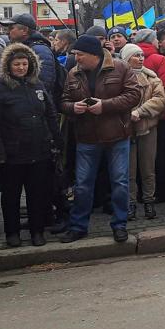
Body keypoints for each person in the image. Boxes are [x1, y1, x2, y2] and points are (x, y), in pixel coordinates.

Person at [58, 35, 142, 243]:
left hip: (117, 136)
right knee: (83, 184)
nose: (76, 58)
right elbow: (64, 101)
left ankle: (120, 225)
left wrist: (104, 105)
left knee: (119, 183)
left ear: (93, 55)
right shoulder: (74, 73)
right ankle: (78, 226)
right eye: (75, 54)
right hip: (86, 137)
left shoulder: (120, 67)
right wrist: (72, 108)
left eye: (79, 54)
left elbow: (133, 96)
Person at [0, 47, 63, 246]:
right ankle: (12, 233)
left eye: (24, 64)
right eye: (17, 64)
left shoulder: (37, 85)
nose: (21, 68)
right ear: (8, 66)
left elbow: (49, 114)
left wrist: (57, 140)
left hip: (39, 150)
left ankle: (37, 231)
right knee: (11, 196)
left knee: (37, 194)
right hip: (12, 152)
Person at [119, 44, 165, 221]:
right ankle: (130, 204)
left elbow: (160, 100)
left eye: (141, 55)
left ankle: (148, 202)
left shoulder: (151, 77)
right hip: (126, 129)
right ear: (126, 58)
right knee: (128, 170)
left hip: (147, 127)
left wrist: (141, 111)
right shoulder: (119, 77)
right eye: (135, 55)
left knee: (148, 168)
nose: (140, 58)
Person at [0, 14, 60, 103]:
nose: (7, 32)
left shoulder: (39, 50)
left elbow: (43, 85)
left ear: (24, 30)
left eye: (11, 28)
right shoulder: (26, 48)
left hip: (36, 108)